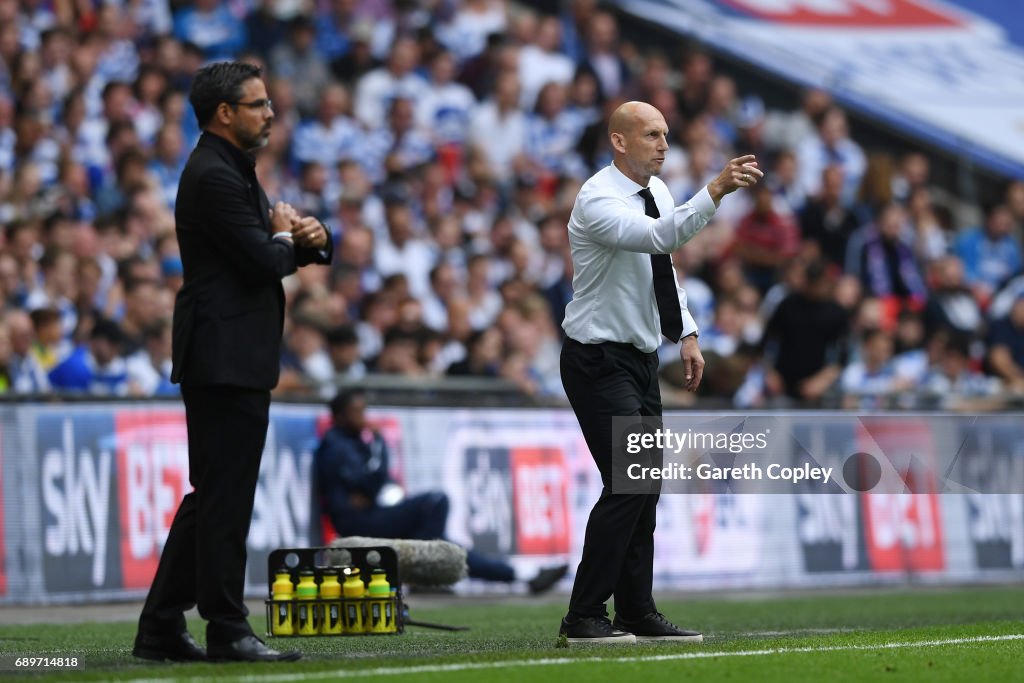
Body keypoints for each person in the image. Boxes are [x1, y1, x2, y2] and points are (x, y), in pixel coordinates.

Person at [132, 62, 333, 664]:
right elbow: (259, 259)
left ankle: (162, 626)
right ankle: (225, 627)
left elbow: (274, 251)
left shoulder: (230, 168)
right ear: (225, 113)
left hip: (233, 354)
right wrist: (284, 238)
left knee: (213, 497)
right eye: (258, 104)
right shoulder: (213, 174)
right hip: (223, 355)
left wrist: (310, 239)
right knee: (223, 499)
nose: (270, 113)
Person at [558, 100, 761, 645]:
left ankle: (635, 611)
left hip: (642, 358)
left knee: (643, 483)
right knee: (630, 480)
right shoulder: (597, 198)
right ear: (619, 141)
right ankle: (583, 615)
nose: (664, 144)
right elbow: (656, 239)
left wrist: (687, 332)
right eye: (651, 134)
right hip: (597, 358)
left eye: (666, 134)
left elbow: (663, 267)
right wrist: (714, 191)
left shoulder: (660, 194)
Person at [315, 389, 569, 594]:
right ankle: (423, 577)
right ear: (339, 415)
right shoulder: (336, 446)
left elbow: (371, 483)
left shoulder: (353, 443)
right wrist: (378, 445)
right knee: (435, 502)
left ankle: (524, 576)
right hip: (357, 522)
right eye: (356, 412)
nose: (363, 418)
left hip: (372, 512)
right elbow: (371, 481)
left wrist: (370, 479)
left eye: (364, 411)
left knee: (448, 551)